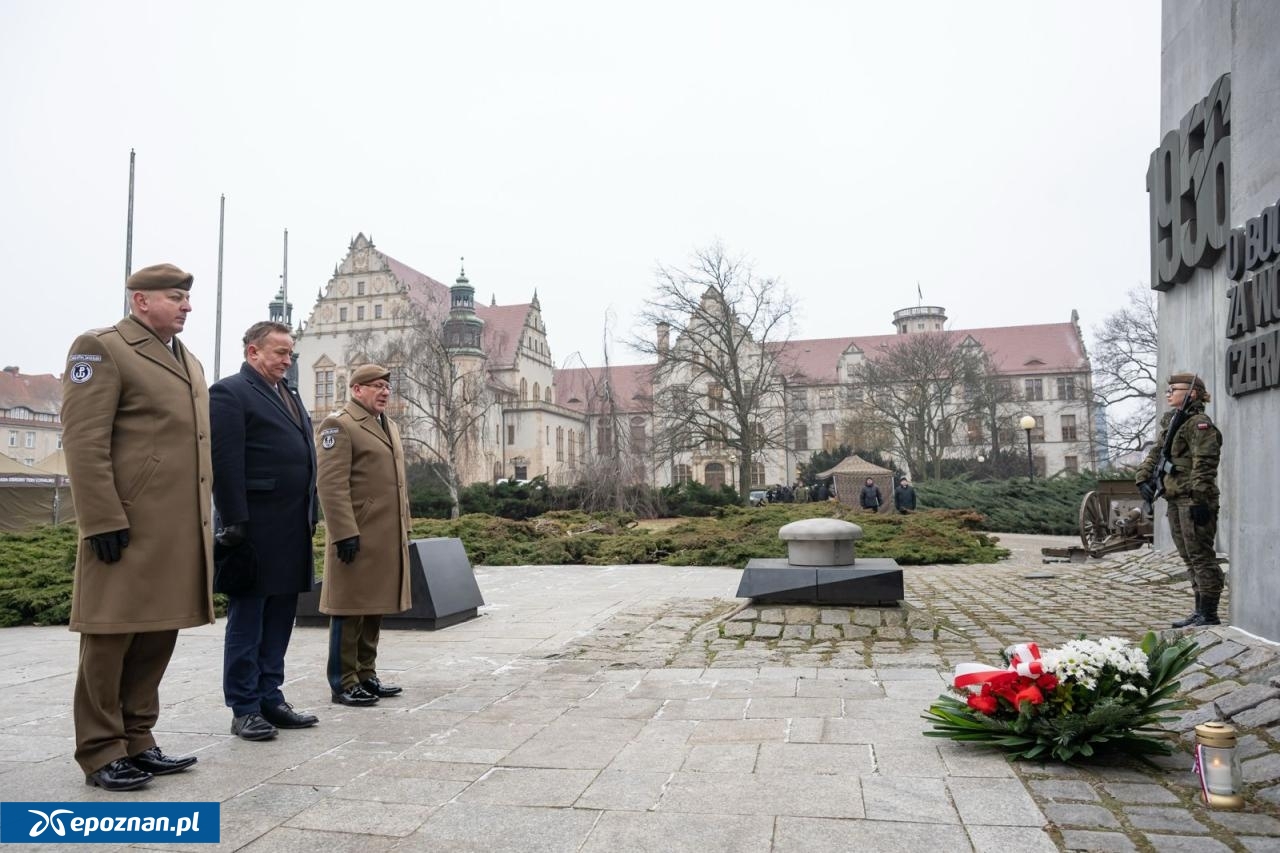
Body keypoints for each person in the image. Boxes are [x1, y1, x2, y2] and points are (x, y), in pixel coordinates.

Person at [60, 263, 213, 791]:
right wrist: (100, 517)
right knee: (110, 636)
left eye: (187, 299)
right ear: (141, 300)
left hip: (174, 527)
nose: (187, 306)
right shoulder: (101, 347)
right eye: (176, 297)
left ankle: (138, 739)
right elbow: (83, 440)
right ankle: (101, 751)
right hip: (124, 523)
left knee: (157, 631)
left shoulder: (188, 361)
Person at [210, 321, 320, 741]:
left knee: (280, 617)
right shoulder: (229, 393)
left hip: (292, 526)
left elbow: (305, 457)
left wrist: (310, 510)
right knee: (249, 619)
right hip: (254, 528)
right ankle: (244, 707)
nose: (287, 361)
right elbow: (225, 461)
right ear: (253, 352)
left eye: (290, 354)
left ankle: (271, 696)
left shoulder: (289, 393)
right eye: (279, 353)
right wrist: (233, 520)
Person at [315, 364, 412, 706]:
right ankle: (343, 681)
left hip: (385, 534)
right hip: (355, 535)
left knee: (374, 606)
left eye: (387, 386)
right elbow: (330, 484)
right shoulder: (339, 424)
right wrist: (343, 533)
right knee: (349, 608)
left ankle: (366, 674)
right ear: (356, 390)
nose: (384, 391)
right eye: (376, 386)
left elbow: (398, 484)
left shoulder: (390, 426)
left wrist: (405, 527)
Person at [1136, 373, 1223, 627]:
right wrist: (1143, 478)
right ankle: (1198, 611)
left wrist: (1199, 498)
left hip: (1193, 499)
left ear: (1192, 393)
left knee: (1201, 556)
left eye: (1174, 389)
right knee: (1188, 557)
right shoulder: (1175, 423)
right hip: (1175, 499)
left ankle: (1209, 613)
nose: (1168, 393)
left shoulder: (1198, 424)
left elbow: (1205, 463)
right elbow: (1156, 454)